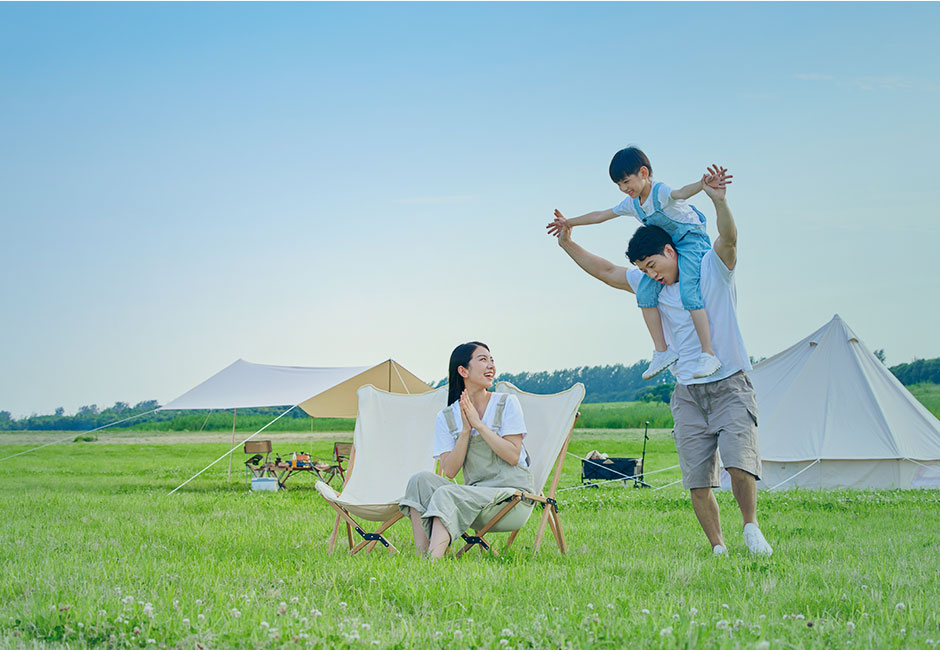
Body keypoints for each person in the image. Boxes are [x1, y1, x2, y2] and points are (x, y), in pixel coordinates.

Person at [552, 179, 773, 556]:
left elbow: (729, 239)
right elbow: (606, 271)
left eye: (654, 265)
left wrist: (719, 203)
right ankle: (718, 547)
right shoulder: (650, 286)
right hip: (687, 392)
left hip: (730, 383)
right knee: (697, 480)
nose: (652, 274)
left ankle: (750, 527)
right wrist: (567, 243)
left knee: (739, 463)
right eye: (645, 269)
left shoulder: (709, 267)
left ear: (670, 250)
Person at [547, 147, 730, 381]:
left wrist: (702, 185)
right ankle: (662, 352)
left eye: (626, 182)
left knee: (689, 291)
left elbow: (682, 192)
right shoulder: (632, 203)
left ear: (643, 173)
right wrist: (569, 222)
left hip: (691, 240)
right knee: (644, 291)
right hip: (669, 245)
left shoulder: (660, 192)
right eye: (618, 185)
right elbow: (600, 215)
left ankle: (708, 353)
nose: (623, 189)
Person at [399, 342, 534, 559]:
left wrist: (479, 425)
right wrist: (465, 431)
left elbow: (513, 455)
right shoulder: (446, 417)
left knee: (446, 493)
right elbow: (450, 471)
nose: (491, 366)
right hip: (475, 497)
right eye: (483, 359)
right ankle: (422, 557)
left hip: (511, 497)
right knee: (419, 481)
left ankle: (433, 562)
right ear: (463, 371)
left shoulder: (507, 403)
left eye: (492, 360)